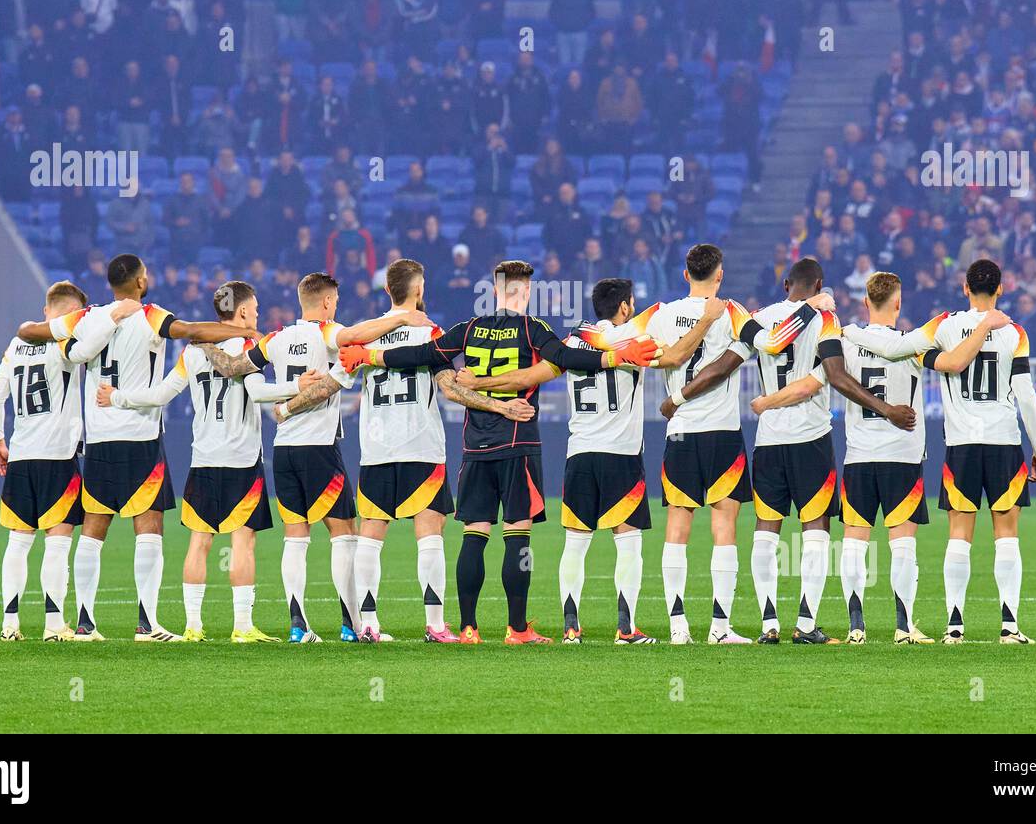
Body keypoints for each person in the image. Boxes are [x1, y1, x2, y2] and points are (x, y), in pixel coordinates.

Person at [337, 260, 661, 644]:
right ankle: (517, 629)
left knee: (474, 534)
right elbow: (566, 357)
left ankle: (469, 627)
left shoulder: (468, 328)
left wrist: (370, 357)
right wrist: (614, 357)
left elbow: (422, 355)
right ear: (525, 291)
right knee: (517, 537)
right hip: (517, 441)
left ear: (495, 290)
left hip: (475, 444)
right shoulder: (532, 329)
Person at [663, 256, 914, 644]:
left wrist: (678, 397)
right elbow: (836, 376)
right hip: (811, 438)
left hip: (769, 441)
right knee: (815, 531)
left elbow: (721, 367)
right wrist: (887, 410)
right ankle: (806, 624)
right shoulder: (824, 320)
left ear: (785, 285)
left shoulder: (760, 318)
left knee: (766, 530)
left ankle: (769, 624)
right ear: (819, 287)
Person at [459, 278, 721, 643]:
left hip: (579, 454)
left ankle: (570, 628)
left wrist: (478, 382)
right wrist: (707, 320)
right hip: (621, 457)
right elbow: (677, 357)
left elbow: (526, 376)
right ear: (625, 307)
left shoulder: (572, 343)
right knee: (628, 541)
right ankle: (626, 629)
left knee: (576, 543)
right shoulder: (634, 339)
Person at [284, 260, 532, 642]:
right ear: (419, 290)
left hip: (378, 449)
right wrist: (501, 405)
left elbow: (330, 385)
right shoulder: (429, 333)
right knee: (430, 533)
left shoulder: (366, 336)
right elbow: (451, 389)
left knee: (370, 535)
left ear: (387, 291)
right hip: (422, 447)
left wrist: (287, 407)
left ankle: (368, 624)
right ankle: (434, 624)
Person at [16, 254, 257, 642]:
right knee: (149, 528)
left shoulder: (91, 316)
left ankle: (84, 623)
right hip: (140, 436)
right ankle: (147, 624)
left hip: (98, 440)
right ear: (141, 281)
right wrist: (253, 338)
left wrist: (37, 327)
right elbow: (190, 330)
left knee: (93, 530)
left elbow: (30, 331)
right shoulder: (150, 314)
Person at [766, 271, 1005, 643]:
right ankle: (903, 626)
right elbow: (954, 362)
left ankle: (856, 627)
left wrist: (767, 401)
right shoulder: (913, 346)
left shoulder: (843, 340)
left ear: (865, 302)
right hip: (902, 456)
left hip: (859, 456)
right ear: (898, 302)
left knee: (855, 543)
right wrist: (984, 328)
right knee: (903, 544)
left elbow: (810, 384)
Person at [198, 272, 433, 643]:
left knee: (296, 537)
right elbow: (355, 337)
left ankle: (298, 626)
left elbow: (236, 371)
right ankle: (351, 625)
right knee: (344, 535)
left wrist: (202, 340)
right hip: (320, 450)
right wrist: (402, 317)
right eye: (335, 303)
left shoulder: (275, 338)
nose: (336, 308)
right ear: (326, 303)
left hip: (283, 450)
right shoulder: (325, 331)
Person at [843, 259, 1036, 645]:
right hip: (1004, 442)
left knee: (959, 535)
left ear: (964, 288)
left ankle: (954, 626)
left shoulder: (945, 325)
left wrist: (851, 331)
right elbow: (1026, 395)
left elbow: (895, 347)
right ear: (1000, 289)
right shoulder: (1015, 332)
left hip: (961, 445)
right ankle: (1009, 627)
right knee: (1006, 536)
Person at [648, 247, 838, 644]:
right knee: (729, 529)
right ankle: (726, 627)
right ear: (720, 274)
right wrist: (811, 308)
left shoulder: (662, 313)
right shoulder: (736, 311)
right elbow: (769, 345)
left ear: (685, 274)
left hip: (687, 432)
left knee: (679, 529)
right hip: (730, 433)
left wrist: (676, 399)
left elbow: (697, 363)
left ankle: (680, 627)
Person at [97, 281, 302, 643]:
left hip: (203, 458)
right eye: (253, 309)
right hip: (241, 459)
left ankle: (193, 625)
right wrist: (297, 387)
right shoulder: (246, 346)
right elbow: (257, 393)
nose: (256, 314)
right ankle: (241, 627)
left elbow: (160, 394)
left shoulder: (193, 351)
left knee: (199, 541)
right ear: (240, 312)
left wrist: (117, 398)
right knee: (243, 541)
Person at [0, 282, 135, 641]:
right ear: (72, 316)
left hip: (22, 456)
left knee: (18, 542)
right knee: (57, 543)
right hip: (58, 457)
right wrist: (114, 315)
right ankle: (54, 625)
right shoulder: (63, 344)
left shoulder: (15, 346)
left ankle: (10, 624)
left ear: (45, 311)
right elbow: (88, 350)